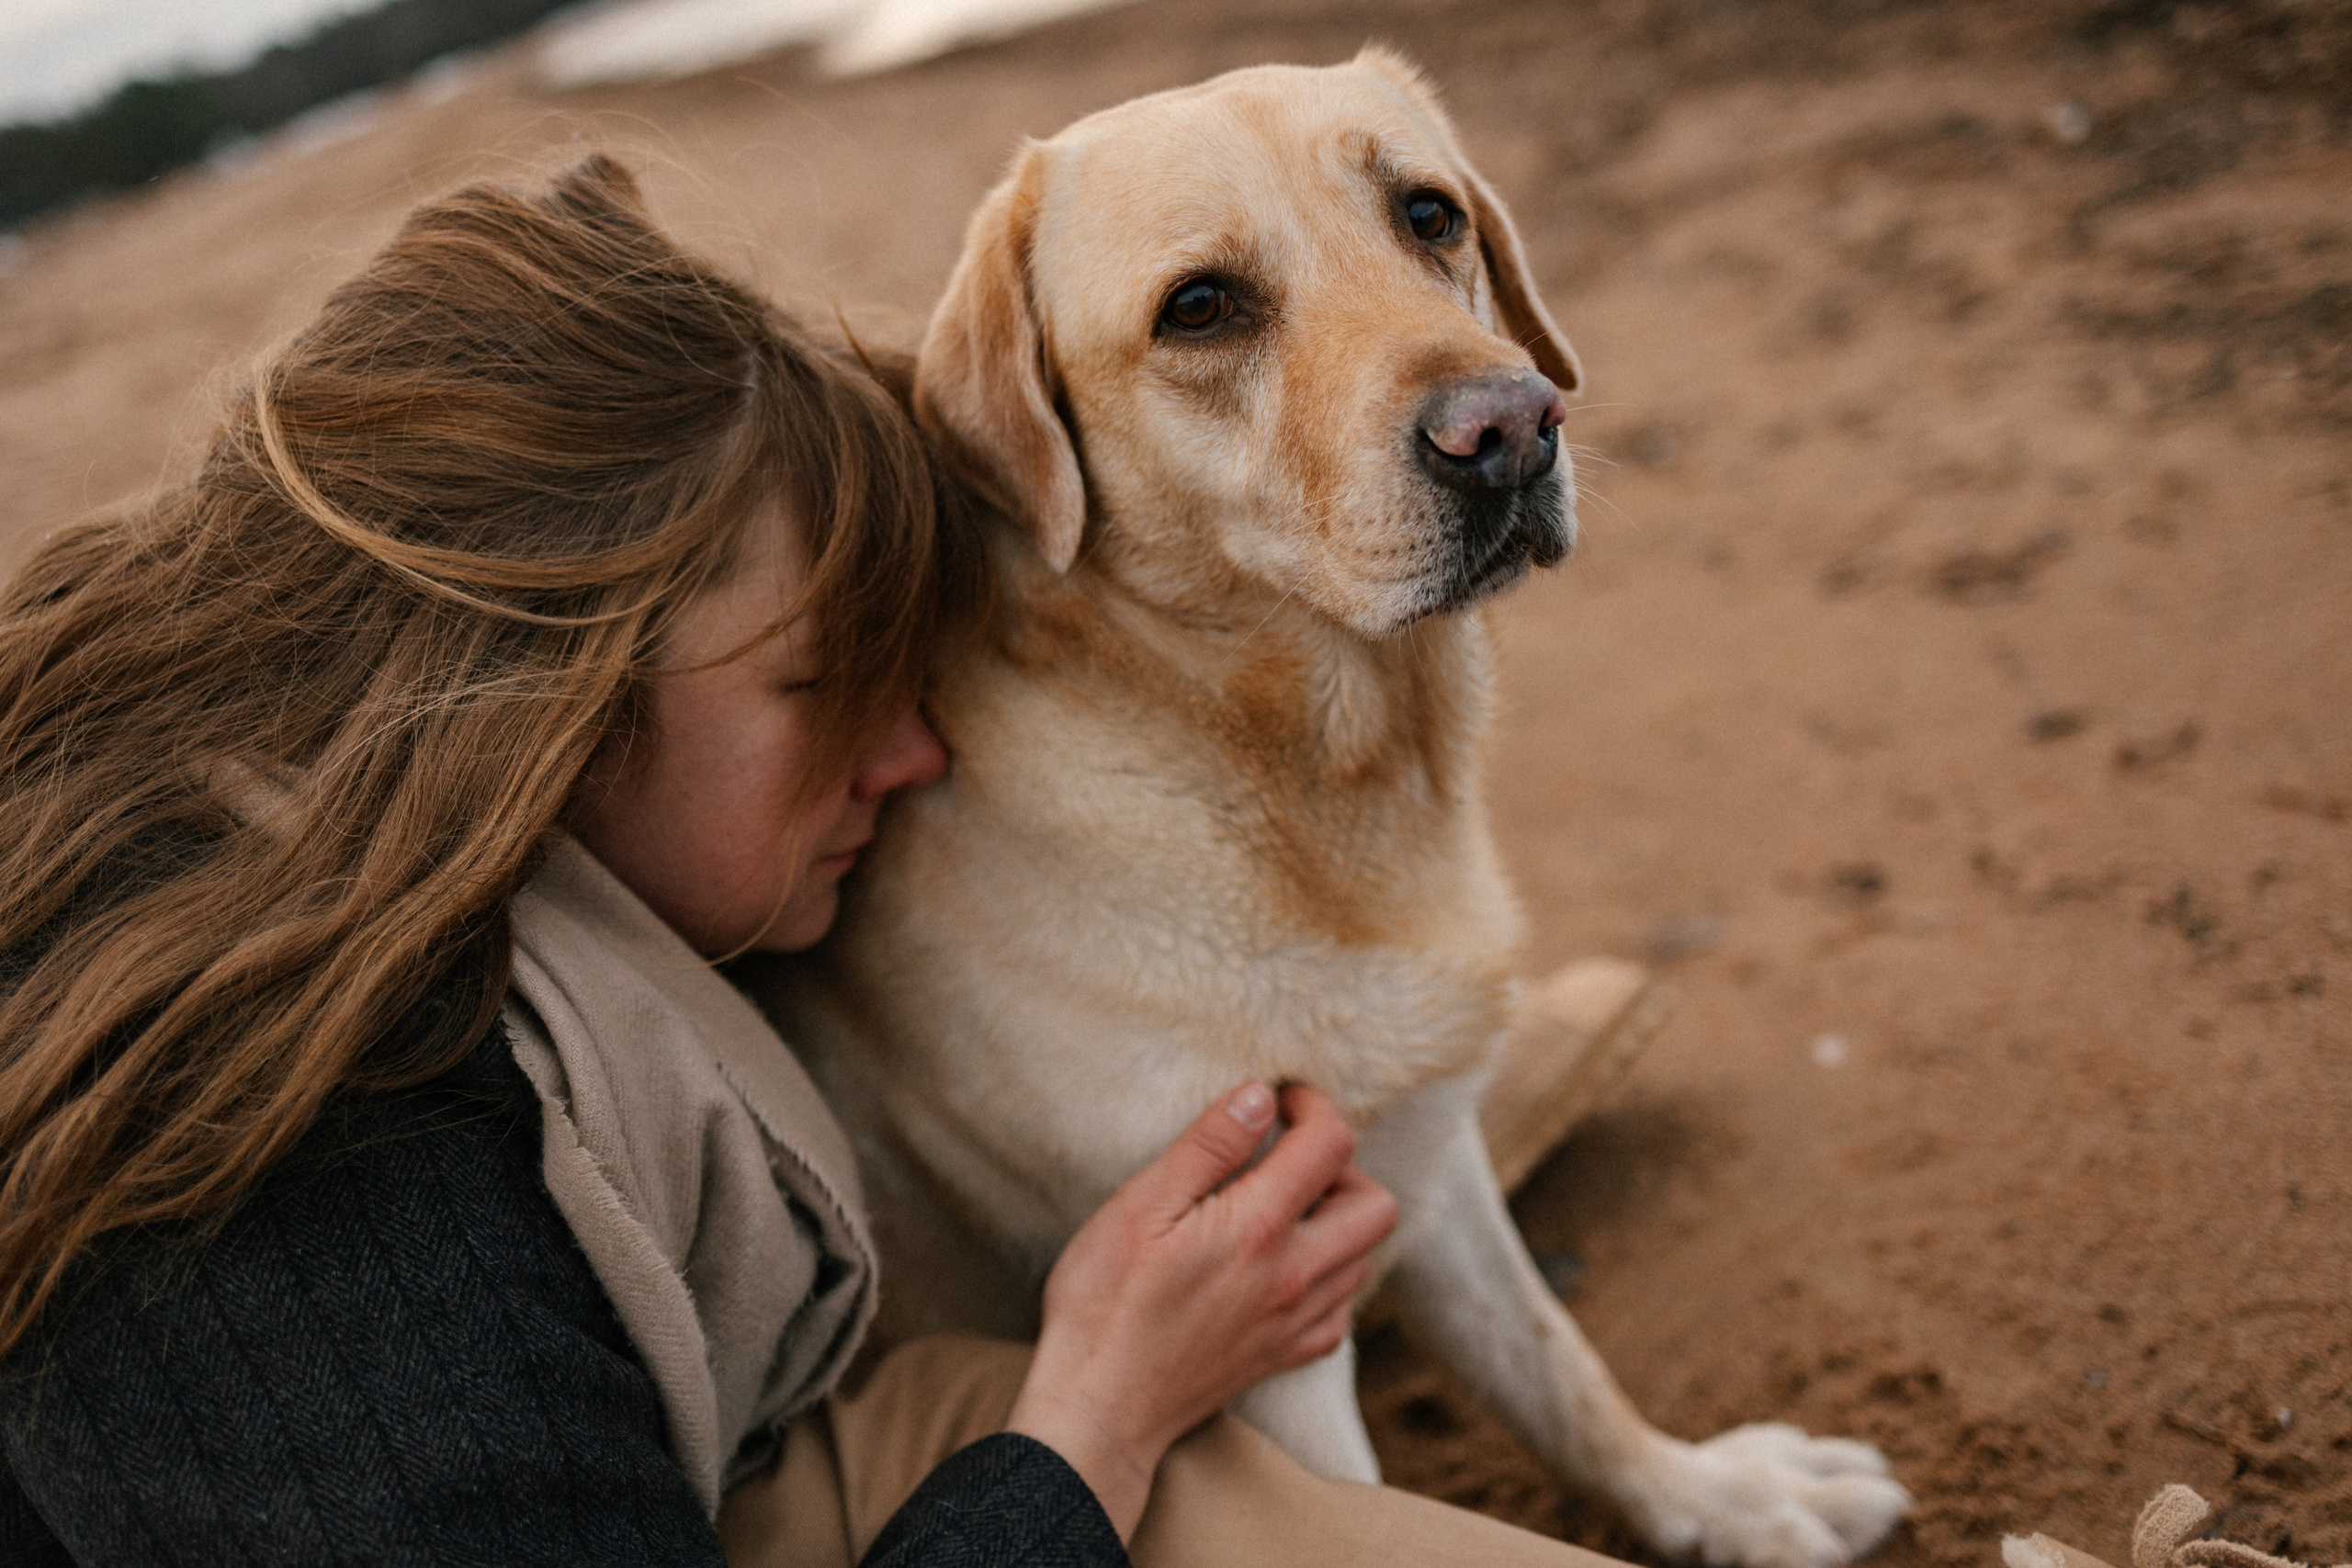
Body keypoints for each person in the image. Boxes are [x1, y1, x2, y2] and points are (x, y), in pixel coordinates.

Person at [0, 158, 1623, 1568]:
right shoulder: (296, 1217)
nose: (918, 756)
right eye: (818, 690)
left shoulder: (373, 871)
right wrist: (1090, 1423)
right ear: (535, 706)